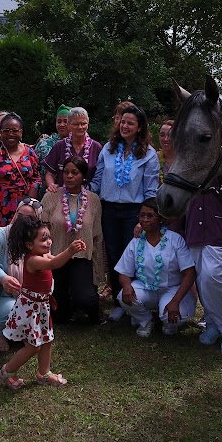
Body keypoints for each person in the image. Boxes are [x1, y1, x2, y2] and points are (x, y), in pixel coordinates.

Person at [0, 216, 86, 390]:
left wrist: (68, 253)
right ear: (30, 245)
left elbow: (54, 259)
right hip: (30, 308)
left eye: (48, 237)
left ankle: (44, 373)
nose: (48, 242)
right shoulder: (33, 260)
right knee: (33, 347)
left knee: (46, 340)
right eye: (43, 239)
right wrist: (69, 251)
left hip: (41, 306)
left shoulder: (42, 253)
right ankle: (8, 371)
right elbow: (53, 263)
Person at [90, 105, 160, 320]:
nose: (125, 126)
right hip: (109, 209)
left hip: (134, 211)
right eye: (123, 122)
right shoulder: (108, 149)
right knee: (113, 254)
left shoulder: (148, 154)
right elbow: (98, 180)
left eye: (130, 123)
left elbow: (150, 190)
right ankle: (119, 302)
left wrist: (144, 218)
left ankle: (137, 301)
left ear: (139, 127)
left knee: (134, 256)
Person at [185, 163, 222, 354]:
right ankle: (212, 322)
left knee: (214, 276)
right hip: (197, 221)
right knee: (202, 278)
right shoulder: (191, 151)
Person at [116, 198, 196, 338]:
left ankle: (168, 322)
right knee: (123, 296)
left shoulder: (175, 239)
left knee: (170, 319)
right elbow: (123, 272)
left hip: (173, 289)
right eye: (142, 215)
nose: (145, 219)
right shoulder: (136, 241)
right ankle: (146, 321)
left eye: (150, 215)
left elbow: (189, 273)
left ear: (160, 218)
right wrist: (127, 285)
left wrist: (175, 301)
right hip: (146, 288)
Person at [41, 156, 105, 324]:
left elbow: (97, 235)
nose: (69, 176)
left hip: (81, 258)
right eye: (66, 172)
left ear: (83, 176)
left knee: (86, 300)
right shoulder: (51, 197)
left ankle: (84, 303)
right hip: (55, 257)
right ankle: (66, 306)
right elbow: (42, 230)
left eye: (74, 173)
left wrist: (98, 270)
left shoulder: (93, 199)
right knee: (59, 313)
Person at [0, 197, 43, 352]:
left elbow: (46, 267)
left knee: (35, 308)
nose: (21, 221)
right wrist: (3, 278)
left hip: (25, 295)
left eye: (29, 218)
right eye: (20, 216)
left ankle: (19, 325)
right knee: (15, 308)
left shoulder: (39, 241)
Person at [0, 112, 41, 235]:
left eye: (15, 131)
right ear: (0, 131)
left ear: (21, 132)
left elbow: (36, 179)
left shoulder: (30, 153)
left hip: (23, 209)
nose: (11, 134)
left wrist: (30, 202)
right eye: (6, 131)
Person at [43, 107, 102, 191]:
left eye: (83, 123)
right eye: (76, 124)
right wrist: (51, 185)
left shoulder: (96, 147)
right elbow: (50, 173)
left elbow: (100, 176)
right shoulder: (59, 146)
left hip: (88, 197)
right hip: (62, 197)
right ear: (68, 125)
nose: (80, 127)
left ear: (88, 124)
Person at [34, 105, 71, 192]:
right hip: (47, 191)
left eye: (66, 121)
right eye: (59, 121)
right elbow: (34, 168)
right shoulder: (44, 143)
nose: (62, 125)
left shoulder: (78, 144)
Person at [157, 119, 175, 184]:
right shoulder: (154, 159)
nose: (166, 139)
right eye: (162, 135)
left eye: (170, 135)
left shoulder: (183, 160)